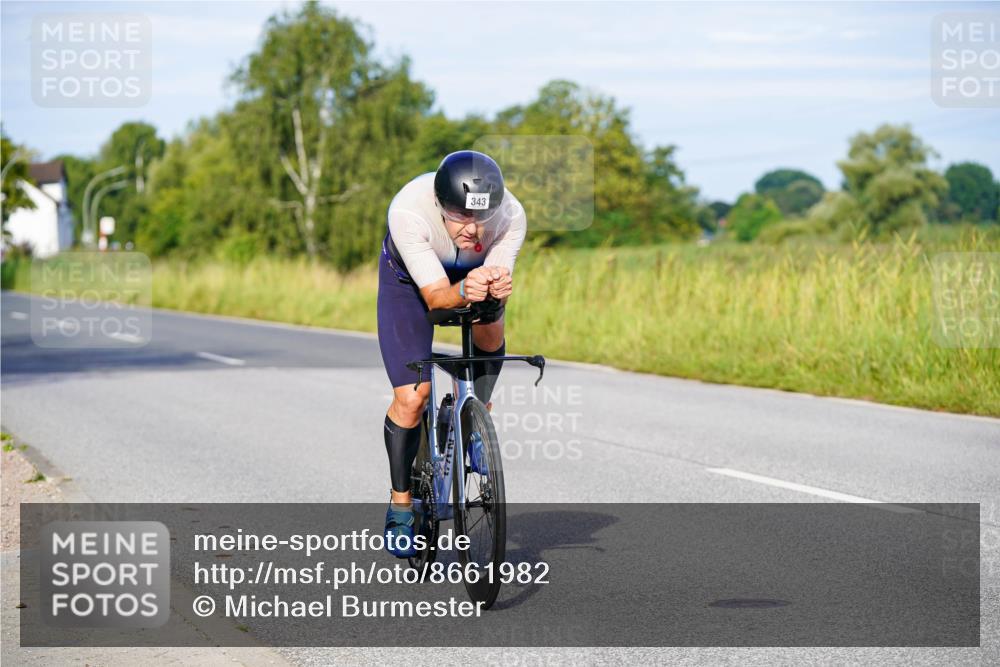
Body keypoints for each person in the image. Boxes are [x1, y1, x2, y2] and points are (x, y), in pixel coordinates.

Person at [378, 150, 526, 558]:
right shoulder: (409, 211)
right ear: (441, 205)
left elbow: (494, 280)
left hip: (469, 277)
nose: (474, 230)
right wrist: (462, 291)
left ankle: (478, 416)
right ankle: (401, 504)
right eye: (461, 217)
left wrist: (491, 285)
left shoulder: (512, 215)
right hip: (411, 282)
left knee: (491, 321)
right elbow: (436, 299)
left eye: (482, 217)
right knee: (412, 398)